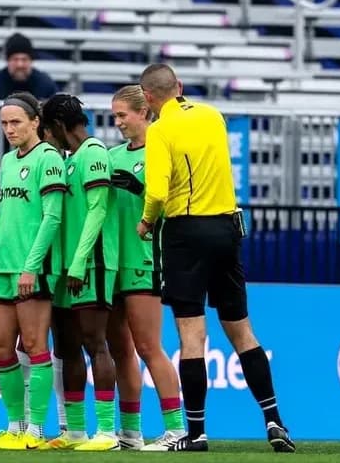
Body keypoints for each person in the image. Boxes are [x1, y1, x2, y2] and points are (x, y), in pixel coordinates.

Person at [136, 63, 294, 453]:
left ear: (150, 99)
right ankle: (274, 421)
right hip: (226, 229)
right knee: (242, 331)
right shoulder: (212, 115)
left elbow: (157, 192)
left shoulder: (159, 129)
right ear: (181, 87)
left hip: (186, 232)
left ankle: (197, 433)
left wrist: (145, 223)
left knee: (193, 336)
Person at [0, 91, 65, 450]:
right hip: (3, 268)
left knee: (34, 344)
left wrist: (32, 267)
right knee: (0, 346)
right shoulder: (7, 161)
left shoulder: (49, 159)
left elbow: (52, 217)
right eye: (4, 123)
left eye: (15, 122)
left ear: (35, 122)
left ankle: (37, 430)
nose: (9, 129)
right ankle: (14, 427)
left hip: (34, 268)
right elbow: (4, 218)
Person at [105, 85, 187, 451]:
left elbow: (174, 205)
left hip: (144, 260)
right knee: (120, 349)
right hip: (113, 263)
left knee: (149, 346)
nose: (118, 122)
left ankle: (176, 429)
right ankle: (130, 433)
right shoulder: (111, 156)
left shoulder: (162, 150)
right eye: (115, 115)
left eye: (123, 115)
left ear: (144, 112)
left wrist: (139, 188)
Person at [38, 93, 119, 451]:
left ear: (57, 126)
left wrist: (81, 260)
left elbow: (98, 211)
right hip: (66, 268)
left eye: (46, 127)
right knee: (66, 347)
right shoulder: (68, 161)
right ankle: (74, 431)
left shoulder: (95, 153)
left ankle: (107, 432)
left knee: (94, 343)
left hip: (93, 263)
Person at [0, 33, 58, 101]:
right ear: (8, 60)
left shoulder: (45, 84)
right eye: (15, 59)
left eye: (24, 59)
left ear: (31, 60)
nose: (19, 65)